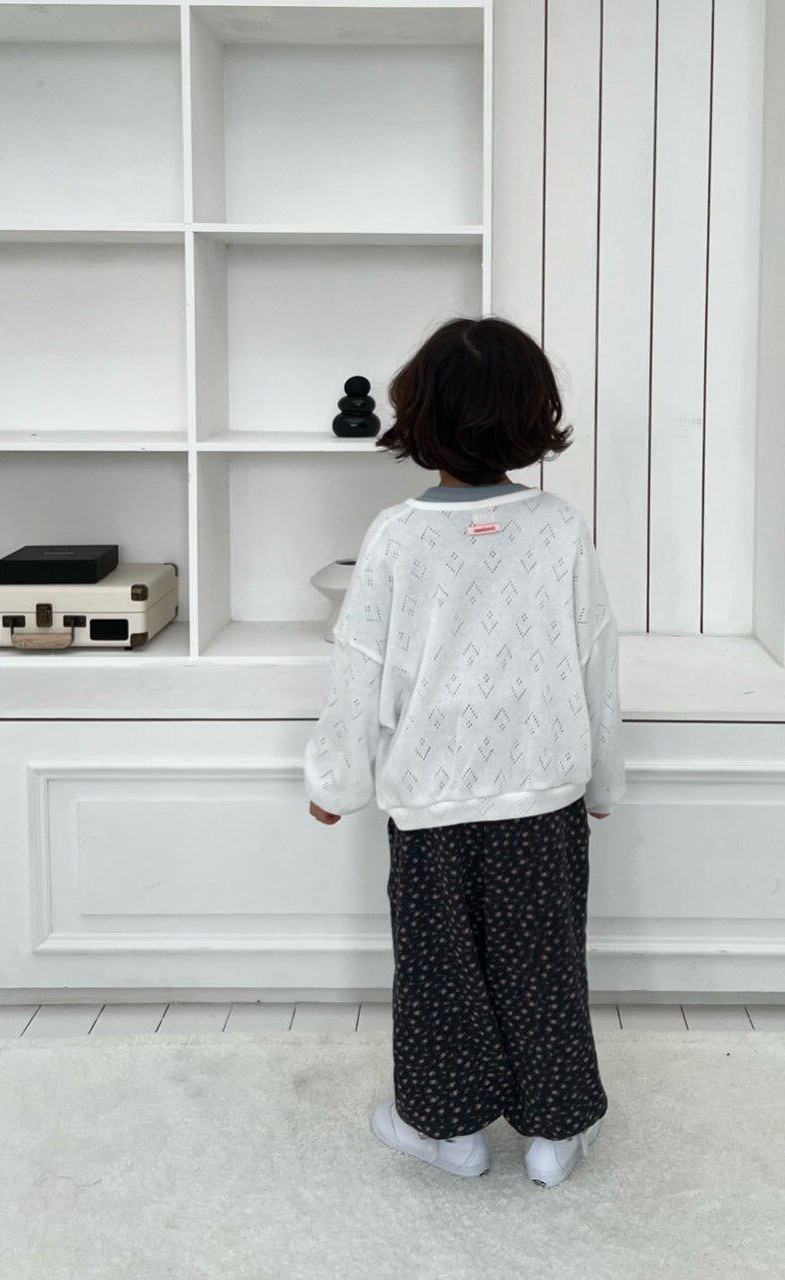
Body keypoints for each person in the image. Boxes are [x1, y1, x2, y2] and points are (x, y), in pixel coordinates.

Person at [303, 316, 624, 1189]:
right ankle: (556, 1135)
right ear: (534, 415)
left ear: (419, 416)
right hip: (542, 800)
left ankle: (452, 1136)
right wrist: (603, 781)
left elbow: (358, 669)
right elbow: (596, 661)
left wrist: (335, 781)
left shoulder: (395, 535)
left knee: (439, 974)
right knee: (543, 968)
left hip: (431, 805)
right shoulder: (559, 527)